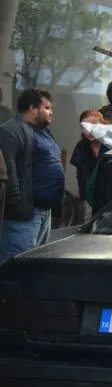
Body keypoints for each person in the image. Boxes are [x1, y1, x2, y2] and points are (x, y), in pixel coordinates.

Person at [0, 89, 62, 262]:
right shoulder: (11, 130)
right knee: (15, 266)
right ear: (33, 108)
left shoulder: (42, 131)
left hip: (43, 212)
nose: (51, 112)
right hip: (24, 215)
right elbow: (8, 169)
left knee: (32, 267)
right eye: (47, 108)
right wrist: (17, 205)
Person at [70, 110, 107, 213]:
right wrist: (83, 197)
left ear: (103, 124)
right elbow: (80, 175)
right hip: (90, 200)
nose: (89, 130)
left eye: (94, 124)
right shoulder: (81, 147)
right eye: (84, 127)